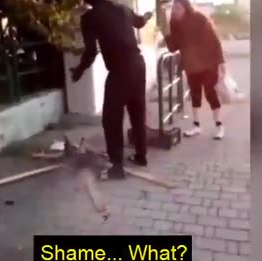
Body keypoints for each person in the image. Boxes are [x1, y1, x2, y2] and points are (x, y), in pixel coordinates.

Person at [70, 0, 153, 179]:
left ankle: (116, 168)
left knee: (111, 119)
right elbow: (140, 22)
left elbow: (91, 52)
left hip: (120, 70)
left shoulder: (89, 17)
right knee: (137, 112)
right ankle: (141, 156)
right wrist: (147, 15)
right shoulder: (122, 9)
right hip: (138, 65)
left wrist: (78, 71)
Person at [162, 0, 226, 140]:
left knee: (210, 94)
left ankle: (219, 125)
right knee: (195, 94)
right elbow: (173, 47)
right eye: (174, 7)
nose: (175, 9)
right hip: (191, 65)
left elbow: (215, 41)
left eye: (178, 6)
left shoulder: (199, 19)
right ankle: (196, 125)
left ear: (185, 7)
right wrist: (166, 32)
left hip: (208, 63)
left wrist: (221, 63)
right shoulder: (174, 23)